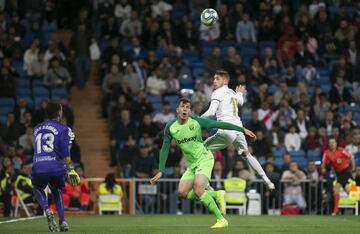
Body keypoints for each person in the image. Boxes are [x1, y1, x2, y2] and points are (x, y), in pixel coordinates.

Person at [150, 98, 256, 228]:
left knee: (198, 190)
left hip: (204, 159)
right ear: (177, 109)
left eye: (187, 107)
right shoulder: (170, 127)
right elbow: (165, 147)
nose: (185, 109)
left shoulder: (196, 121)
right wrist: (161, 170)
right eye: (182, 107)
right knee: (182, 193)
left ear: (189, 110)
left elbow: (219, 124)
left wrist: (241, 129)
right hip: (192, 165)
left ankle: (221, 220)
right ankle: (216, 194)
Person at [201, 69, 274, 190]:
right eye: (214, 78)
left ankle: (206, 183)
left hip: (226, 130)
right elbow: (241, 102)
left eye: (217, 78)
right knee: (247, 155)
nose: (214, 81)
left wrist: (197, 119)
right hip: (239, 130)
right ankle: (267, 180)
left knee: (201, 150)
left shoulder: (217, 93)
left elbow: (211, 112)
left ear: (225, 81)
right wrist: (239, 92)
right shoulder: (232, 93)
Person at [31, 102, 80, 232]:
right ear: (59, 113)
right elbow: (65, 151)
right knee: (56, 190)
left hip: (39, 165)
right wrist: (71, 168)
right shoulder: (63, 128)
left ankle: (47, 209)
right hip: (56, 166)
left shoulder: (36, 129)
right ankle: (63, 221)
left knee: (37, 187)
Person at [321, 136, 356, 215]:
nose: (332, 144)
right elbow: (323, 163)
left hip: (346, 171)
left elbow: (352, 159)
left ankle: (336, 210)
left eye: (333, 142)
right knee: (350, 192)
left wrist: (353, 171)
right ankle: (336, 210)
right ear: (328, 144)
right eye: (330, 143)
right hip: (338, 174)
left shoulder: (342, 150)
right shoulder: (326, 153)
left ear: (336, 143)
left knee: (336, 187)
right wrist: (323, 168)